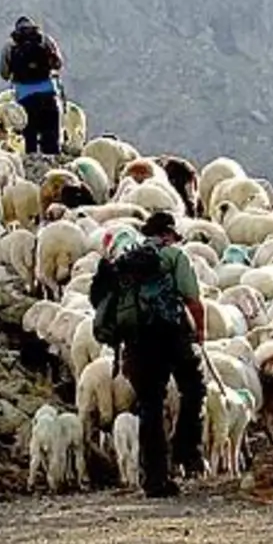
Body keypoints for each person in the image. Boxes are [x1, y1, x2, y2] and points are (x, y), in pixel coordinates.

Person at [89, 211, 208, 497]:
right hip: (172, 335)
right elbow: (192, 299)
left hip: (137, 343)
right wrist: (200, 333)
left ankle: (154, 480)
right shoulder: (173, 257)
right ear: (168, 234)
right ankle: (185, 449)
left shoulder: (123, 262)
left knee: (149, 406)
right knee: (193, 388)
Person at [0, 16, 64, 155]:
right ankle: (53, 167)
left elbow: (4, 73)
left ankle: (32, 168)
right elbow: (58, 64)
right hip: (48, 94)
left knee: (30, 138)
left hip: (24, 97)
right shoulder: (45, 40)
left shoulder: (10, 45)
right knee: (51, 137)